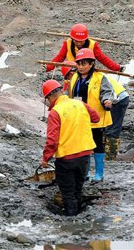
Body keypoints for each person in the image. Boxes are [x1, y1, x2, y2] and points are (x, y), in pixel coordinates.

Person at [41, 79, 99, 216]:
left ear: (49, 97)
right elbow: (96, 117)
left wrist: (45, 159)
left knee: (67, 192)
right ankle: (79, 214)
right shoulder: (80, 104)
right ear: (61, 91)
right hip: (85, 155)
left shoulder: (55, 112)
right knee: (78, 188)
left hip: (66, 158)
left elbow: (52, 140)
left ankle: (71, 221)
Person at [68, 48, 115, 182]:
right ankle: (86, 171)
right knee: (84, 145)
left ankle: (99, 173)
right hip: (80, 117)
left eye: (84, 64)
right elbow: (70, 95)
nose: (81, 67)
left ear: (92, 64)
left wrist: (106, 100)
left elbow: (107, 92)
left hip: (95, 118)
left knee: (97, 144)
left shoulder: (100, 78)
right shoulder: (75, 77)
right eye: (79, 63)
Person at [45, 23, 124, 72]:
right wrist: (47, 67)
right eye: (76, 41)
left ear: (86, 39)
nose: (79, 43)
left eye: (81, 41)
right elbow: (59, 58)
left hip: (87, 74)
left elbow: (103, 59)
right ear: (72, 38)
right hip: (71, 73)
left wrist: (117, 68)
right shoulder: (67, 43)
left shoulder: (93, 45)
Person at [104, 77, 130, 161]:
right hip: (119, 96)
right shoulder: (92, 74)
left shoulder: (93, 78)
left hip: (117, 99)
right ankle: (106, 151)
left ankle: (111, 157)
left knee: (112, 127)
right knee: (106, 125)